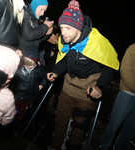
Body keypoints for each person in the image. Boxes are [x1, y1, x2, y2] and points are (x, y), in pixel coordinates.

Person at [47, 0, 120, 149]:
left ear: (79, 28)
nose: (63, 33)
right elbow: (63, 59)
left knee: (79, 130)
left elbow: (108, 67)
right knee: (60, 122)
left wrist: (100, 87)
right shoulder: (64, 40)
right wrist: (55, 72)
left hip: (88, 91)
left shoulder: (96, 42)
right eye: (61, 27)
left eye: (68, 28)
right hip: (68, 87)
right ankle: (55, 146)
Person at [98, 44, 135, 150]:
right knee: (114, 124)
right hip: (127, 93)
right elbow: (125, 69)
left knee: (131, 128)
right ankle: (104, 147)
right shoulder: (133, 48)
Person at [12, 45, 48, 128]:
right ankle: (8, 127)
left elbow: (44, 76)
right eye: (27, 63)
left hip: (29, 97)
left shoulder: (39, 70)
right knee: (11, 113)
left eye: (31, 64)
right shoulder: (19, 68)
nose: (29, 66)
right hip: (17, 96)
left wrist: (42, 85)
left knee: (21, 114)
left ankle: (15, 127)